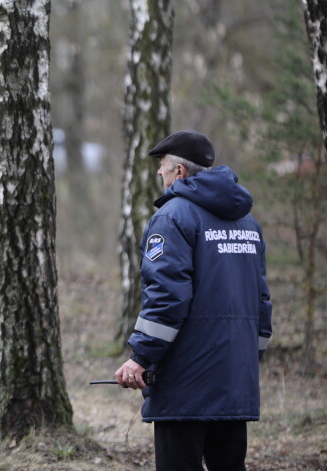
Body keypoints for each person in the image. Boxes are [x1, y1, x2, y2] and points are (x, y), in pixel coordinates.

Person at [114, 130, 273, 471]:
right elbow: (261, 301)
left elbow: (167, 298)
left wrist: (140, 357)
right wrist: (248, 357)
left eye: (163, 166)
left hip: (186, 384)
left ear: (181, 173)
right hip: (234, 380)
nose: (159, 173)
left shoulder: (172, 218)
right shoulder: (248, 223)